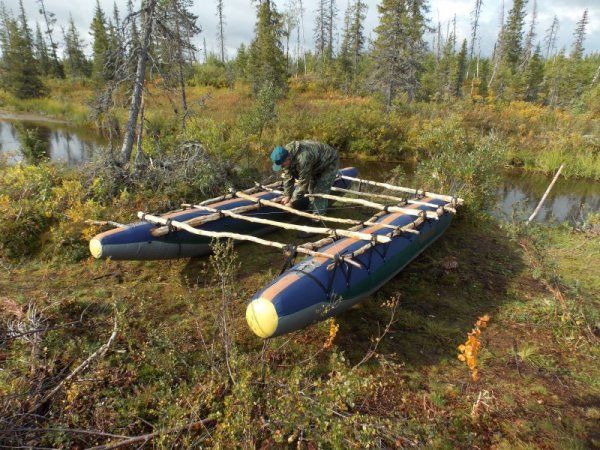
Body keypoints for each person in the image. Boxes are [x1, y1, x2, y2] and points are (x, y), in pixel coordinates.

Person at [270, 140, 340, 215]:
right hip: (315, 164)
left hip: (329, 163)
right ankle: (311, 209)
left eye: (282, 165)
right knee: (311, 188)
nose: (281, 167)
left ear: (287, 159)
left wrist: (291, 202)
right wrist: (287, 195)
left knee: (319, 190)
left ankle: (318, 217)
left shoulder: (303, 158)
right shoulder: (284, 154)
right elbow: (288, 177)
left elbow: (302, 184)